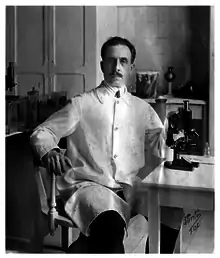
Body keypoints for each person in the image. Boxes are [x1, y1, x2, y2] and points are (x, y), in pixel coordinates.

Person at [30, 36, 183, 253]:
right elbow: (42, 132)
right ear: (102, 65)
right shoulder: (81, 104)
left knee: (171, 213)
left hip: (131, 186)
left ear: (131, 67)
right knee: (110, 226)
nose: (116, 67)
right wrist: (51, 151)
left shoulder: (142, 109)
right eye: (111, 61)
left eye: (123, 61)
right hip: (90, 185)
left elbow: (159, 149)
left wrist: (171, 134)